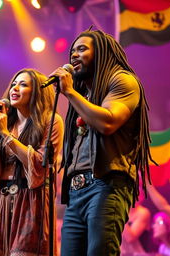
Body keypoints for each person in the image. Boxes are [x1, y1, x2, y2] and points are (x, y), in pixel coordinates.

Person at [49, 28, 154, 255]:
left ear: (102, 53)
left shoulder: (123, 81)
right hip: (76, 193)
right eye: (72, 52)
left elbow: (108, 122)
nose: (74, 56)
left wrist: (69, 93)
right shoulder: (84, 93)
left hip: (105, 185)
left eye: (82, 49)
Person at [0, 68, 64, 256]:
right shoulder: (4, 123)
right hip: (1, 198)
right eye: (14, 84)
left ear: (37, 92)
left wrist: (6, 136)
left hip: (31, 199)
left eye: (23, 84)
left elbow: (40, 165)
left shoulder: (51, 121)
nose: (15, 88)